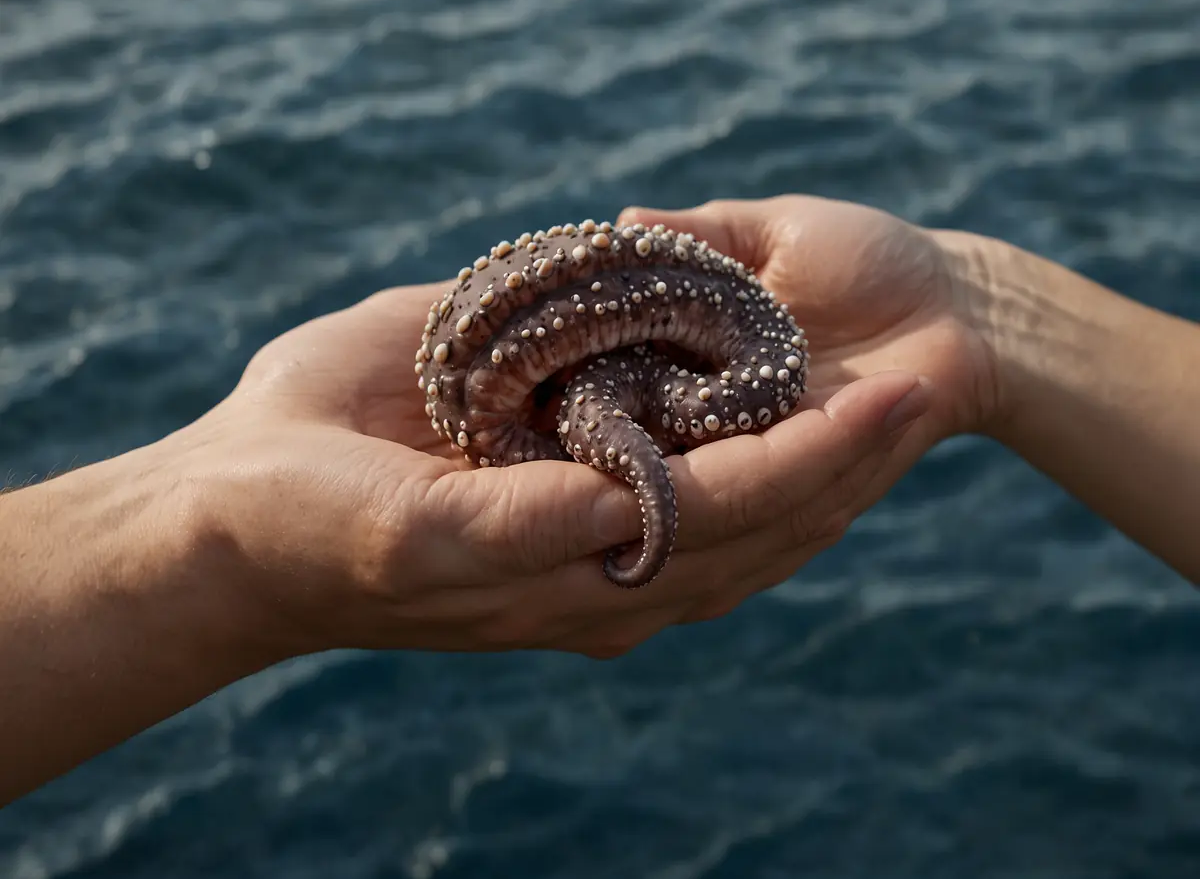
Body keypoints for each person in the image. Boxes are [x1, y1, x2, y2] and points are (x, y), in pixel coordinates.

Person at [1, 193, 1197, 806]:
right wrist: (223, 540)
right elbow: (592, 397)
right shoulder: (642, 365)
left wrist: (980, 304)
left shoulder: (701, 359)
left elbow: (633, 395)